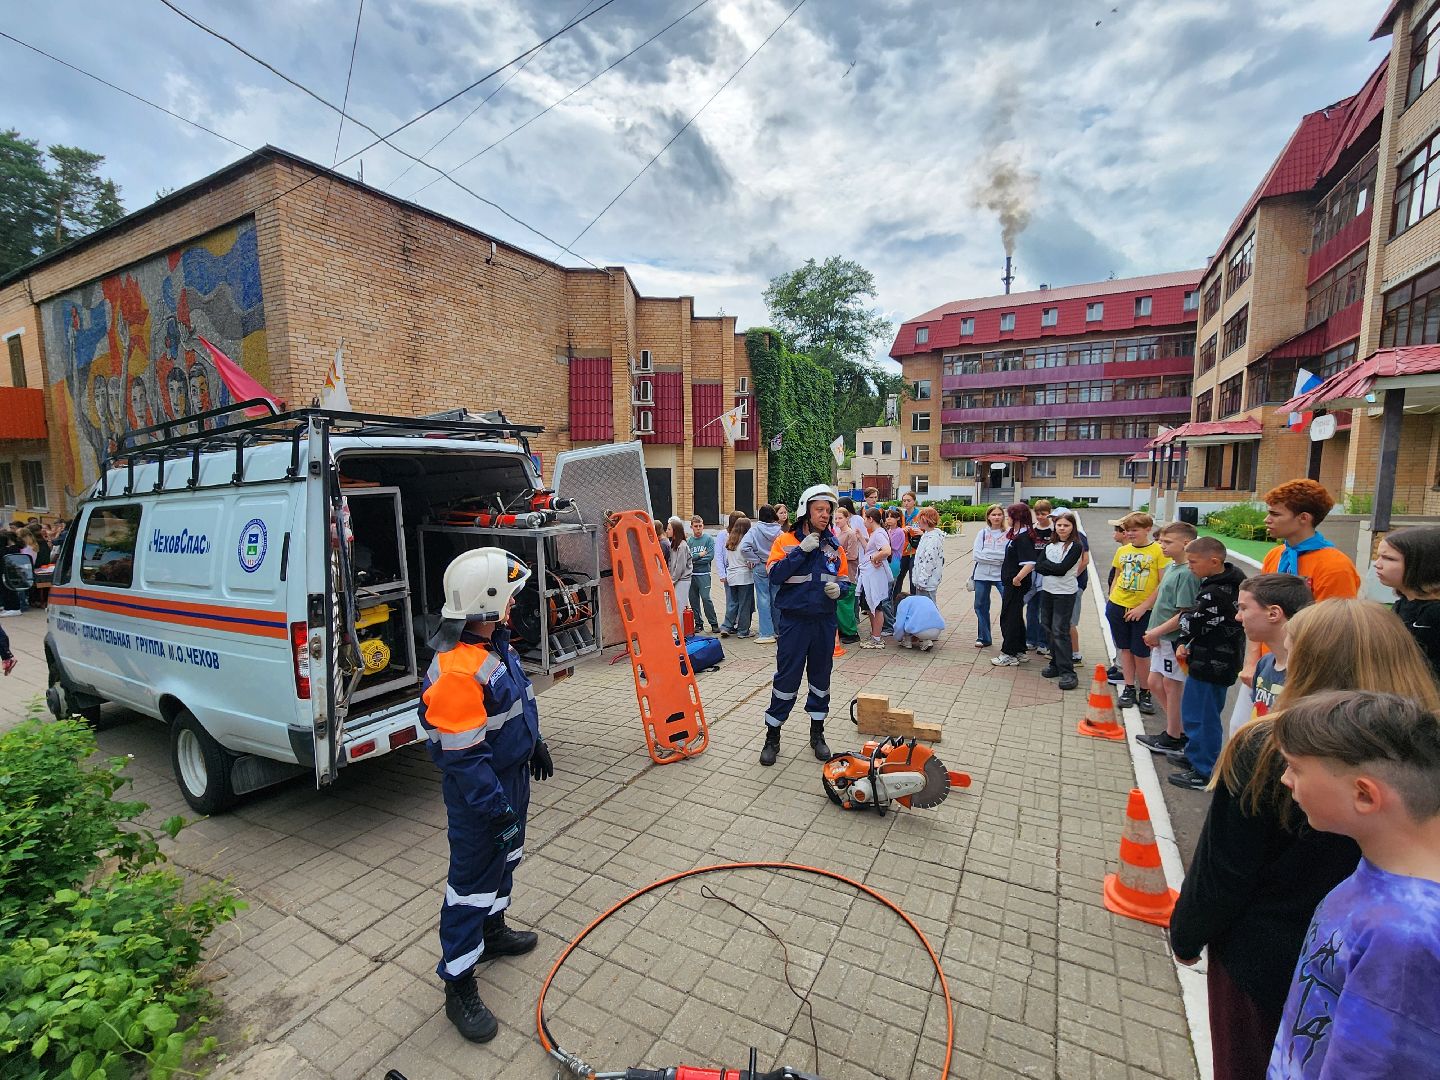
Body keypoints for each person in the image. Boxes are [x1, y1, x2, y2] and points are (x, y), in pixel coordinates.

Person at [1170, 599, 1439, 1080]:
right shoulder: (1423, 747)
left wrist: (1187, 931)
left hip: (1263, 958)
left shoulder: (1272, 746)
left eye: (1291, 652)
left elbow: (1224, 868)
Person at [419, 548, 555, 1042]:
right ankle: (458, 985)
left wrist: (533, 744)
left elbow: (516, 703)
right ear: (488, 601)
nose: (515, 606)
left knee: (505, 862)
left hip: (508, 780)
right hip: (482, 795)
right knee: (470, 885)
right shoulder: (459, 669)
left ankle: (492, 931)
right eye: (510, 598)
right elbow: (464, 757)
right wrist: (494, 807)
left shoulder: (493, 646)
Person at [1269, 690, 1440, 1078]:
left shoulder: (1405, 937)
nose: (1285, 779)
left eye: (1296, 767)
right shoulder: (1386, 874)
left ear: (1364, 795)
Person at [1241, 480, 1360, 687]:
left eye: (1276, 514)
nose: (1267, 520)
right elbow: (1255, 613)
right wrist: (1252, 663)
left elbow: (1334, 628)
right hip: (1266, 664)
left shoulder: (1335, 565)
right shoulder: (1275, 555)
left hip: (1305, 671)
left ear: (1304, 518)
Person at [760, 484, 848, 765]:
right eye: (820, 509)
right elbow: (774, 576)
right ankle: (772, 736)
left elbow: (845, 580)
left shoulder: (835, 546)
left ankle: (817, 734)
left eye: (828, 510)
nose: (825, 515)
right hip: (794, 623)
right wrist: (800, 551)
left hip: (824, 622)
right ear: (806, 511)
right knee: (786, 680)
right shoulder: (784, 541)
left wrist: (841, 590)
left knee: (821, 680)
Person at [1168, 537, 1246, 790]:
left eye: (1193, 561)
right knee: (1194, 712)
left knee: (1203, 717)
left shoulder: (1217, 592)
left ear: (1213, 561)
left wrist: (1186, 618)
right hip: (1204, 658)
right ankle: (1194, 755)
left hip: (1214, 663)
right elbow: (1192, 619)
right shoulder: (1216, 584)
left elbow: (1193, 622)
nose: (1189, 566)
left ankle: (1204, 770)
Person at [1138, 521, 1203, 757]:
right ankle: (1178, 729)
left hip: (1172, 640)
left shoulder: (1187, 573)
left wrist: (1156, 632)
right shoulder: (1174, 567)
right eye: (1161, 541)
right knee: (1156, 683)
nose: (1161, 545)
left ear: (1186, 543)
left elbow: (1184, 612)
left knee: (1171, 686)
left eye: (1167, 542)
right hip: (1161, 638)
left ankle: (1175, 736)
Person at [1235, 574, 1313, 733]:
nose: (1238, 616)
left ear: (1273, 613)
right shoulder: (1264, 664)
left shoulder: (1308, 673)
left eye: (1244, 608)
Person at [1107, 512, 1165, 713]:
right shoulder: (1123, 551)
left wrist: (1143, 607)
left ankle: (1146, 691)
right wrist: (1111, 599)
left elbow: (1162, 584)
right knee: (1125, 649)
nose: (1130, 534)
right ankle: (1129, 687)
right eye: (1127, 530)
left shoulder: (1158, 551)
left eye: (1135, 530)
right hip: (1118, 605)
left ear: (1147, 529)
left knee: (1141, 652)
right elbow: (1117, 575)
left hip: (1143, 610)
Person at [1372, 526, 1440, 680]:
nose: (1377, 564)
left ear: (1423, 565)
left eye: (1389, 558)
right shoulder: (1402, 604)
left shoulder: (1435, 614)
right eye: (1379, 556)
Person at [1033, 509, 1083, 690]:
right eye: (1059, 525)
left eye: (1066, 525)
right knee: (1046, 625)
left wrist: (1050, 567)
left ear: (1072, 527)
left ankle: (1068, 671)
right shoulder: (1049, 546)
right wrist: (1051, 567)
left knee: (1060, 630)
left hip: (1065, 593)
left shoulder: (1076, 546)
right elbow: (1038, 566)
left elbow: (1063, 569)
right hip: (1048, 590)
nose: (1062, 528)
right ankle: (1054, 663)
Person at [993, 502, 1036, 666]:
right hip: (1013, 583)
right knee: (1015, 616)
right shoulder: (1018, 534)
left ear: (1016, 517)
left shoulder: (1024, 537)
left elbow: (1031, 562)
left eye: (1008, 515)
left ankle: (1009, 653)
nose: (1006, 518)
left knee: (1009, 617)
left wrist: (1017, 578)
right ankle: (1019, 650)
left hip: (1016, 584)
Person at [739, 505, 783, 645]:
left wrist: (754, 559)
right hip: (775, 566)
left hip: (761, 566)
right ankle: (778, 630)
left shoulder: (755, 530)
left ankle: (766, 633)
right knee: (776, 598)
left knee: (763, 599)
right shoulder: (779, 531)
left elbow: (744, 547)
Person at [972, 504, 1007, 649]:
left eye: (999, 514)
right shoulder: (983, 533)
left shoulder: (1008, 533)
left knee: (1009, 605)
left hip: (1001, 575)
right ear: (988, 517)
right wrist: (997, 558)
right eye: (994, 514)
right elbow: (977, 555)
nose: (997, 517)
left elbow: (1007, 556)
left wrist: (988, 555)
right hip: (982, 574)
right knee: (980, 606)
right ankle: (984, 637)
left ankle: (1009, 638)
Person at [858, 507, 893, 649]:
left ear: (870, 519)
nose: (864, 521)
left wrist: (874, 558)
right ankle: (875, 635)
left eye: (865, 518)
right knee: (872, 605)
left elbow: (886, 550)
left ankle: (877, 638)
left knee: (877, 606)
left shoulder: (878, 534)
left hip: (874, 576)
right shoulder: (875, 533)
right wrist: (861, 538)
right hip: (870, 575)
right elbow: (870, 550)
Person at [1026, 500, 1057, 654]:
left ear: (1049, 513)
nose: (1040, 517)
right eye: (1037, 514)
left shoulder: (1054, 531)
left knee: (1043, 610)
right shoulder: (1032, 530)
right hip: (1032, 574)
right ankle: (1030, 639)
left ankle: (1043, 642)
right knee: (1031, 608)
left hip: (1047, 575)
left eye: (1043, 514)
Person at [832, 504, 864, 643]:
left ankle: (852, 632)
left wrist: (837, 555)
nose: (837, 521)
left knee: (846, 604)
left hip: (848, 574)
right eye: (836, 518)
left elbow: (852, 555)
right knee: (841, 604)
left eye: (840, 518)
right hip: (840, 573)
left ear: (847, 518)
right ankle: (844, 630)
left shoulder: (850, 534)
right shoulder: (839, 533)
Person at [720, 516, 754, 637]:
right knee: (745, 604)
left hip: (731, 575)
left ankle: (726, 626)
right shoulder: (746, 542)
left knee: (733, 603)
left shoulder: (730, 540)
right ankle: (743, 631)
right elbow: (750, 561)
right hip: (744, 576)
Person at [1105, 518, 1128, 685]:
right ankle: (1118, 663)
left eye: (1117, 530)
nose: (1114, 534)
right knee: (1117, 636)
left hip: (1126, 603)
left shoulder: (1129, 553)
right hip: (1116, 600)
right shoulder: (1121, 551)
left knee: (1123, 638)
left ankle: (1123, 669)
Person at [686, 516, 719, 633]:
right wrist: (699, 555)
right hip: (691, 575)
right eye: (696, 526)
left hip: (704, 573)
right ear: (691, 527)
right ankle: (698, 623)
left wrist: (695, 560)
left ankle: (714, 623)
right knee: (693, 600)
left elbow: (709, 557)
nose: (698, 529)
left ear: (703, 526)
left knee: (706, 598)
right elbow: (687, 559)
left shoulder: (708, 539)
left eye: (700, 526)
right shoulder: (689, 541)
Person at [909, 507, 944, 604]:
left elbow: (929, 561)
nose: (918, 522)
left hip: (926, 583)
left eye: (920, 519)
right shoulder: (926, 535)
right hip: (923, 582)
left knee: (928, 608)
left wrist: (922, 580)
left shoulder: (933, 539)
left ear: (926, 520)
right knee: (924, 607)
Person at [892, 491, 921, 602]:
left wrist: (918, 531)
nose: (906, 503)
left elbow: (925, 530)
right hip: (902, 551)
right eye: (904, 500)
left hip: (915, 551)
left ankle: (914, 603)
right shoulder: (901, 516)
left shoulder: (919, 515)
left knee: (913, 579)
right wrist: (901, 530)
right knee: (898, 578)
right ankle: (895, 603)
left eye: (909, 500)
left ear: (914, 501)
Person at [665, 518, 692, 613]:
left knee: (679, 607)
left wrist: (672, 580)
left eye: (669, 529)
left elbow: (680, 567)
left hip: (682, 580)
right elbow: (671, 563)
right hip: (676, 580)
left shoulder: (682, 546)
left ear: (675, 531)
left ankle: (680, 628)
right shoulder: (673, 544)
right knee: (673, 607)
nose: (666, 531)